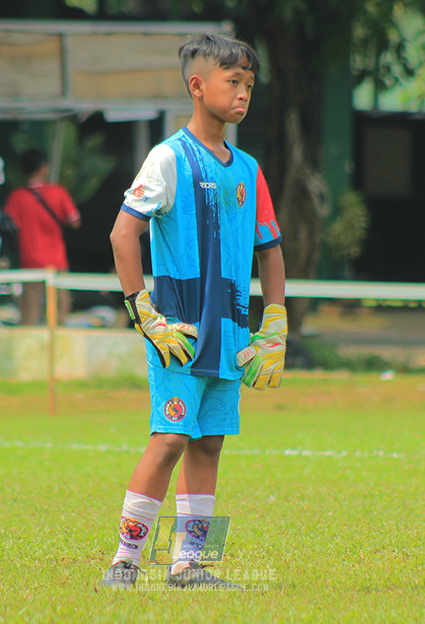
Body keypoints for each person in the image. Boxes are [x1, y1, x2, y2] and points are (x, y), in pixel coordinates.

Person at [99, 33, 287, 590]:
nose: (243, 93)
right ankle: (124, 563)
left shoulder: (249, 168)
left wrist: (273, 324)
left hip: (231, 334)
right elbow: (122, 233)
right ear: (197, 85)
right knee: (170, 439)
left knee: (208, 443)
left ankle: (189, 565)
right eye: (233, 82)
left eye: (250, 84)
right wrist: (145, 313)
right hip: (179, 331)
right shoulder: (168, 157)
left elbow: (270, 249)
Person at [2, 149, 81, 325]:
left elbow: (9, 226)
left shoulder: (16, 197)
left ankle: (29, 349)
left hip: (30, 261)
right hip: (56, 260)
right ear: (44, 168)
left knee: (29, 313)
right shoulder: (58, 192)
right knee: (60, 312)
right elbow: (75, 221)